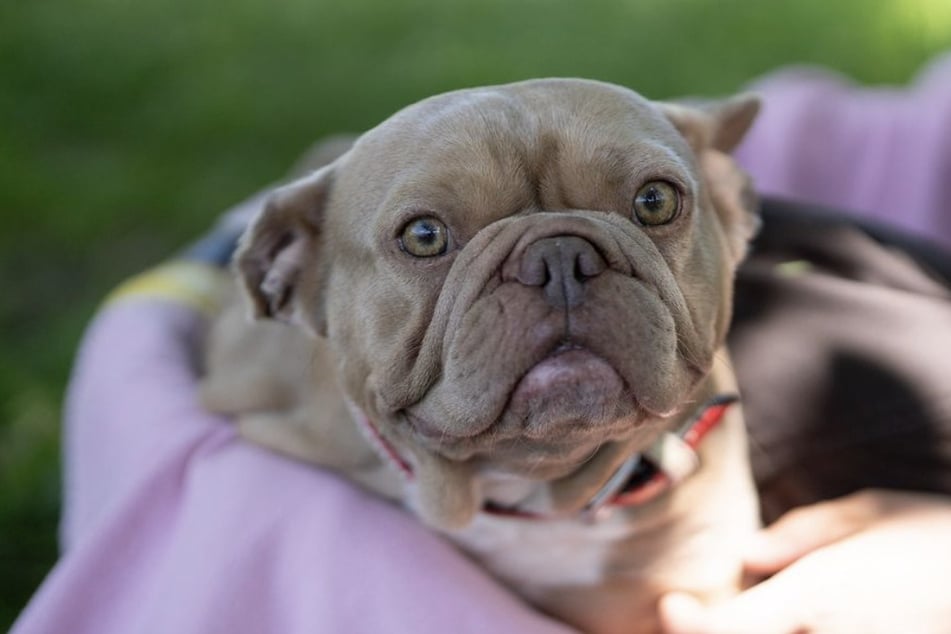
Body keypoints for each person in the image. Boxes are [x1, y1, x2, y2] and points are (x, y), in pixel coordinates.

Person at [11, 54, 951, 634]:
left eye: (651, 205)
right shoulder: (261, 416)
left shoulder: (719, 439)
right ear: (292, 277)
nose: (562, 279)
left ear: (727, 203)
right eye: (427, 237)